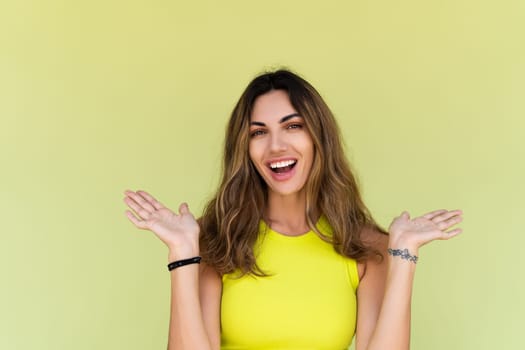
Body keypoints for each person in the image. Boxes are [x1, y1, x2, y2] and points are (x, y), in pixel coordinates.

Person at [123, 69, 463, 350]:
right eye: (259, 133)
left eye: (293, 126)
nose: (276, 146)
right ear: (245, 149)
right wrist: (183, 253)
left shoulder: (366, 248)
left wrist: (403, 256)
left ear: (318, 137)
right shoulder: (216, 239)